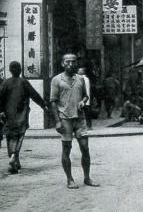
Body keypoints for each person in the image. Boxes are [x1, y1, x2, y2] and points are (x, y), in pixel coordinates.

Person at [50, 53, 99, 189]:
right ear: (62, 63)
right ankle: (69, 179)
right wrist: (57, 121)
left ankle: (87, 177)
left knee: (85, 148)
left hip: (80, 118)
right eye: (67, 62)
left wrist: (83, 102)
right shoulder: (56, 80)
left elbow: (85, 96)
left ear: (76, 63)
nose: (71, 64)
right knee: (67, 149)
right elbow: (53, 102)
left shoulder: (80, 79)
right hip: (65, 118)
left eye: (73, 62)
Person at [0, 61, 48, 173]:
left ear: (10, 71)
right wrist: (43, 105)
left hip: (8, 115)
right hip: (21, 114)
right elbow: (34, 95)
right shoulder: (23, 82)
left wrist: (0, 111)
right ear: (20, 70)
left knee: (10, 136)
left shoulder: (5, 83)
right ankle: (14, 156)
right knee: (20, 136)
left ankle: (14, 159)